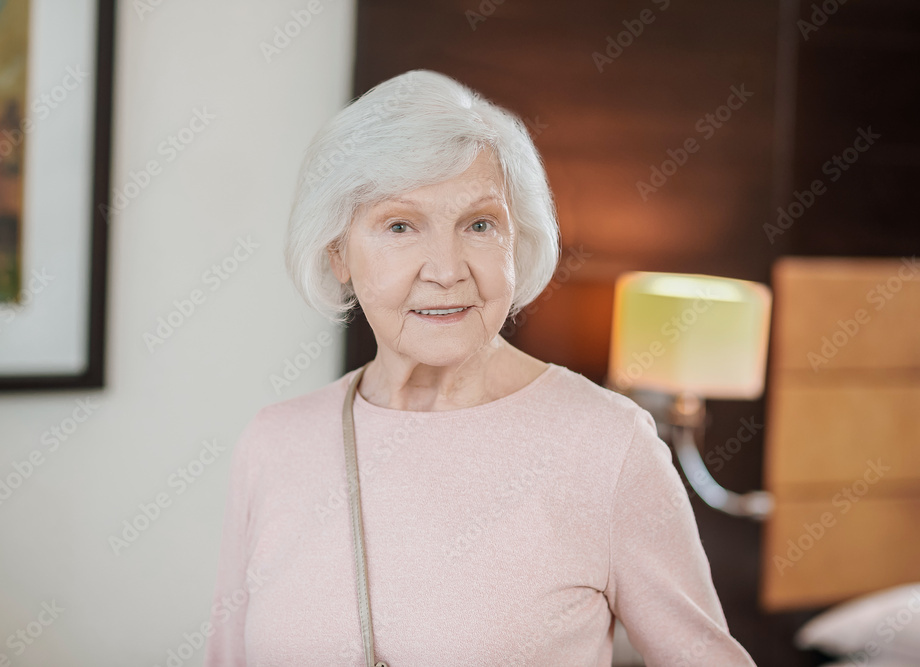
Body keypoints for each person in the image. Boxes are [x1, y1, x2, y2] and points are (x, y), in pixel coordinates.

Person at [201, 69, 756, 666]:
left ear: (516, 243)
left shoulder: (606, 444)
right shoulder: (275, 442)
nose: (446, 267)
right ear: (338, 252)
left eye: (480, 225)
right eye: (400, 226)